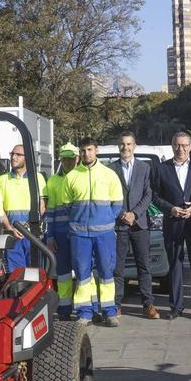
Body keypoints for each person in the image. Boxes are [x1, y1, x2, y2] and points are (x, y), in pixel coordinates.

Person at [64, 139, 123, 326]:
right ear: (79, 153)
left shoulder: (109, 174)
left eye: (90, 150)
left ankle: (109, 312)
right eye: (83, 150)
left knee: (106, 272)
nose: (86, 154)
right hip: (79, 234)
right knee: (82, 274)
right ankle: (85, 312)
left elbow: (117, 202)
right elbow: (68, 205)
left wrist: (106, 220)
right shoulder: (71, 176)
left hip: (104, 234)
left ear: (96, 150)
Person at [152, 132, 191, 320]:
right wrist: (170, 209)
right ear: (172, 146)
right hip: (172, 222)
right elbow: (155, 195)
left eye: (184, 145)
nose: (180, 149)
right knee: (175, 263)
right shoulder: (161, 168)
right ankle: (176, 306)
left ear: (190, 147)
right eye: (177, 145)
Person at [110, 132, 158, 319]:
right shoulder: (111, 168)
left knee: (144, 266)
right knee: (118, 268)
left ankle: (148, 305)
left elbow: (149, 194)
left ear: (134, 146)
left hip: (140, 224)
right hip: (119, 224)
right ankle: (116, 305)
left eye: (129, 144)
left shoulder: (145, 168)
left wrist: (135, 213)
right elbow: (109, 195)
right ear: (118, 146)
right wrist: (122, 213)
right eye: (122, 144)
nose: (125, 147)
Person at [44, 143, 79, 318]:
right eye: (64, 158)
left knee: (83, 272)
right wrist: (50, 236)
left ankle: (84, 310)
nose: (67, 162)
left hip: (80, 233)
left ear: (77, 158)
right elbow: (50, 212)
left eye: (70, 158)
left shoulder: (82, 177)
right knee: (63, 274)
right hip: (60, 234)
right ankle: (65, 309)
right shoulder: (52, 181)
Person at [0, 144, 47, 268]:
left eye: (18, 155)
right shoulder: (2, 180)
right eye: (12, 154)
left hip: (33, 235)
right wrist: (10, 228)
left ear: (27, 158)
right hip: (13, 235)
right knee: (16, 275)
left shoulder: (37, 178)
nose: (13, 157)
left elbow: (43, 205)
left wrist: (28, 226)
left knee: (34, 273)